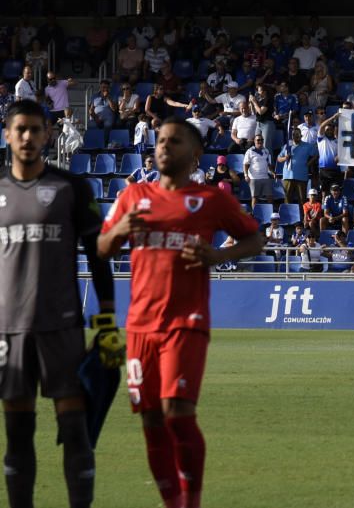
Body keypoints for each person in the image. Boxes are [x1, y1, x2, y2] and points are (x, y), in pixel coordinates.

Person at [97, 117, 264, 508]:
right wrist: (119, 227)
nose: (164, 147)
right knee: (151, 420)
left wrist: (218, 255)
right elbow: (103, 250)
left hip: (185, 321)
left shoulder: (210, 200)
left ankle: (191, 501)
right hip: (140, 325)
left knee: (177, 412)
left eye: (174, 142)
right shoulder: (132, 196)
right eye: (160, 141)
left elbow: (254, 238)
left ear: (195, 154)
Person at [0, 100, 121, 508]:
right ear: (7, 134)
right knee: (17, 431)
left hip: (62, 326)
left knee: (74, 430)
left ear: (48, 134)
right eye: (21, 129)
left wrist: (106, 318)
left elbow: (98, 254)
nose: (28, 137)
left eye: (36, 129)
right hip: (8, 331)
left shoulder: (72, 187)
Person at [243, 134, 275, 209]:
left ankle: (271, 213)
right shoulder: (250, 151)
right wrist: (246, 175)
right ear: (254, 141)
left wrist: (273, 172)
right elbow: (245, 164)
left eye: (261, 140)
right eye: (258, 140)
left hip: (265, 177)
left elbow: (269, 164)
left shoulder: (266, 151)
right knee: (255, 198)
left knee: (270, 197)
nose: (260, 141)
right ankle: (254, 214)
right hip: (254, 178)